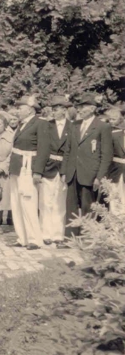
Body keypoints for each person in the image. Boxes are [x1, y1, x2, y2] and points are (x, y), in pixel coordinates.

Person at [61, 93, 113, 246]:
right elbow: (68, 150)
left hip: (90, 175)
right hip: (72, 173)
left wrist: (99, 177)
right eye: (79, 107)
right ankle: (69, 239)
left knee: (87, 207)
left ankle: (87, 240)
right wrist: (64, 171)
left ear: (92, 108)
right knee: (70, 207)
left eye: (83, 107)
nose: (80, 110)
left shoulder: (102, 127)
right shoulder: (74, 125)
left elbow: (106, 155)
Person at [6, 95, 50, 250]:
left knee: (28, 202)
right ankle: (22, 238)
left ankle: (34, 239)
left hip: (28, 168)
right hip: (17, 168)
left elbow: (44, 149)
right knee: (16, 203)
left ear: (30, 109)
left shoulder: (40, 123)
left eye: (20, 107)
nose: (18, 110)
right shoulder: (21, 125)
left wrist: (38, 171)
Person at [39, 96, 72, 246]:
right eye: (53, 108)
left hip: (64, 169)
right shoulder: (47, 125)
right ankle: (45, 233)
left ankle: (58, 235)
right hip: (49, 167)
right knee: (46, 201)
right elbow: (42, 149)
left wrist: (66, 171)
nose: (54, 111)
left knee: (60, 203)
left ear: (64, 110)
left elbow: (71, 151)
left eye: (57, 108)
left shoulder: (73, 127)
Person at [106, 107, 125, 200]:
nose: (111, 121)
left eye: (113, 119)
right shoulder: (114, 135)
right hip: (115, 171)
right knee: (114, 199)